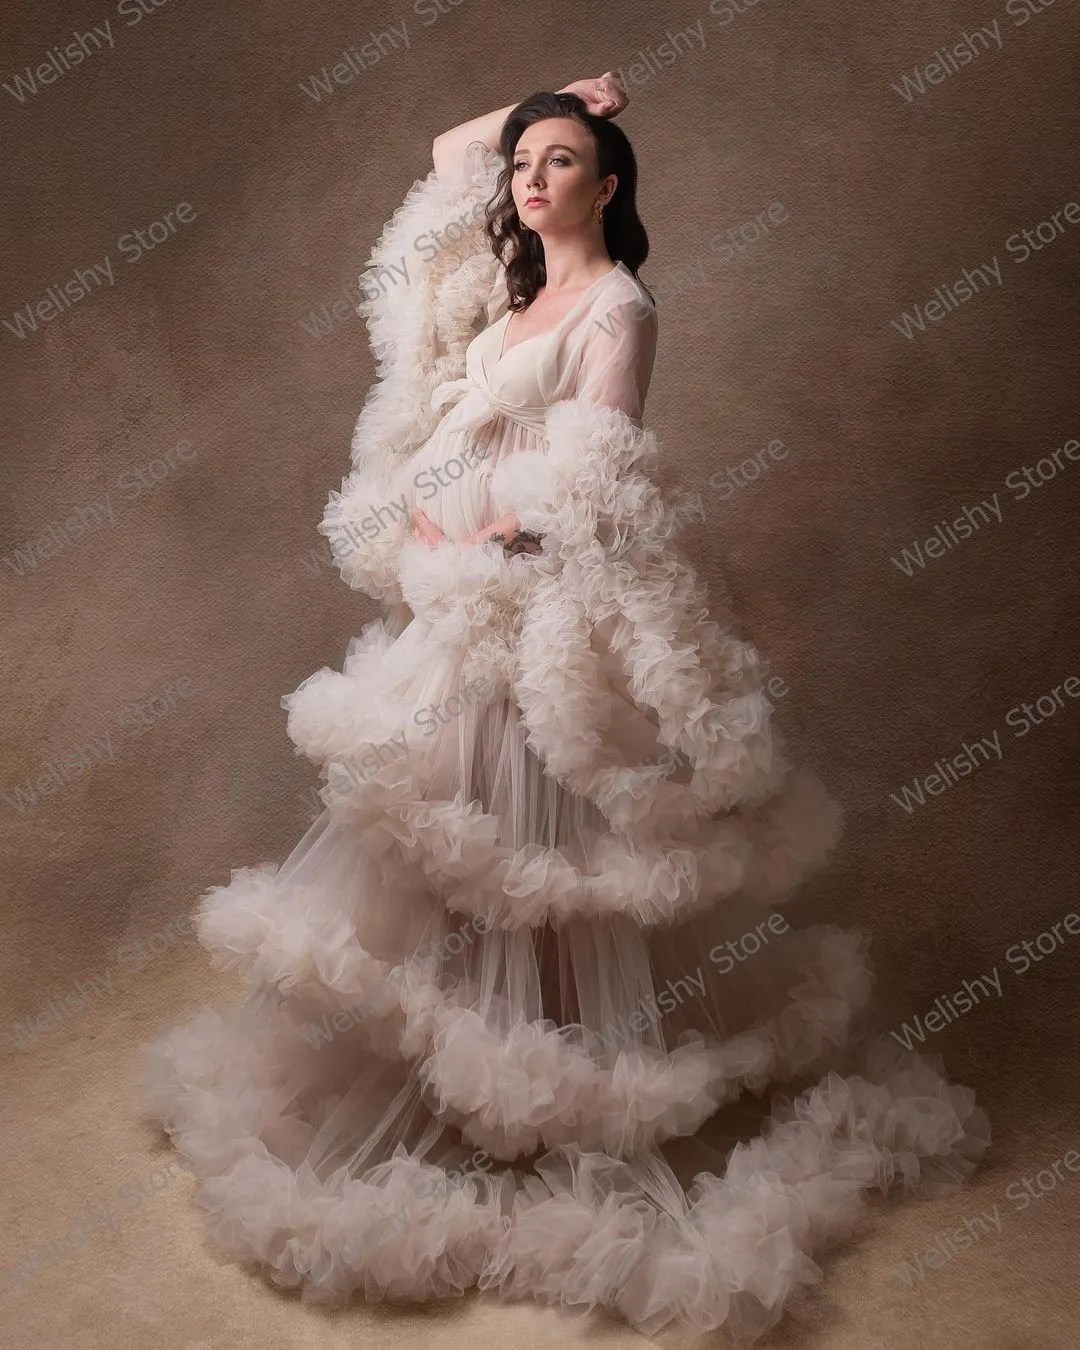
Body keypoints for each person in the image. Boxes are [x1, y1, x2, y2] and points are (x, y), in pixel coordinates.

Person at [134, 74, 990, 1344]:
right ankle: (463, 1074)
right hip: (454, 596)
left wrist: (468, 533)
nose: (532, 179)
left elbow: (594, 485)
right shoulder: (516, 288)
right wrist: (558, 98)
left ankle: (547, 1087)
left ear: (608, 185)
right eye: (526, 163)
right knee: (443, 825)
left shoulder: (619, 308)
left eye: (563, 161)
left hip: (534, 603)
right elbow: (447, 149)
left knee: (529, 837)